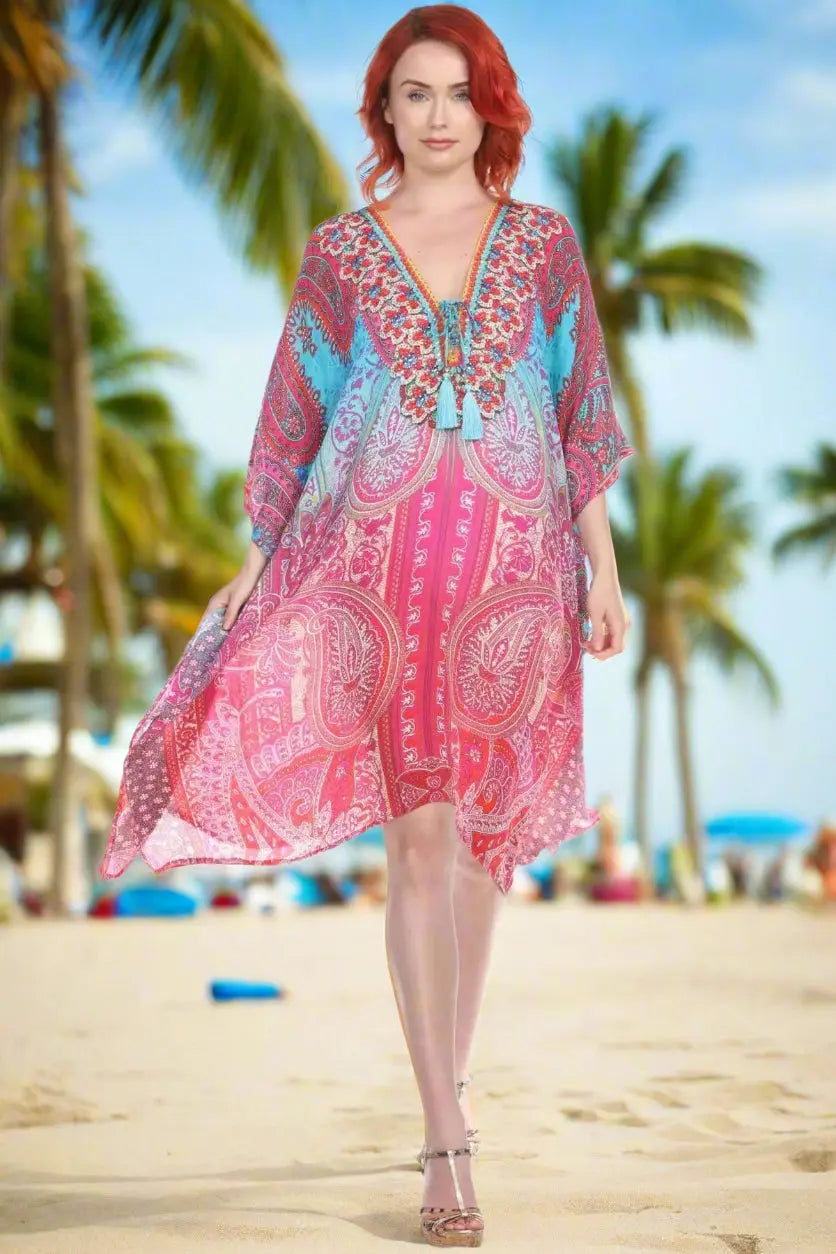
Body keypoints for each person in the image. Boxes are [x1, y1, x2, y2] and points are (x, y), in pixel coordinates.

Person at [99, 5, 633, 1245]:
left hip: (520, 585)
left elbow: (582, 420)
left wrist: (601, 574)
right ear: (383, 112)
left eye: (456, 93)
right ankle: (443, 1138)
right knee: (420, 846)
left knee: (485, 846)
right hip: (382, 589)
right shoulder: (341, 256)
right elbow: (291, 416)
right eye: (413, 94)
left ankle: (450, 1079)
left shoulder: (544, 247)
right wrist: (249, 565)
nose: (435, 115)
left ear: (486, 106)